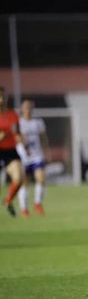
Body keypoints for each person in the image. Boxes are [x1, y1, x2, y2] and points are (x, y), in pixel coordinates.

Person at [16, 99, 51, 217]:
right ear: (22, 109)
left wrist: (47, 152)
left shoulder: (38, 122)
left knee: (41, 179)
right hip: (23, 158)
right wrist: (21, 140)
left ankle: (37, 203)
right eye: (25, 107)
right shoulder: (19, 123)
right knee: (25, 183)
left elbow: (43, 138)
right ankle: (24, 209)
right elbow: (15, 138)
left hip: (37, 156)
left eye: (30, 107)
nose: (28, 110)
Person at [0, 86, 25, 217]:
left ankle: (8, 200)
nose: (2, 99)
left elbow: (17, 132)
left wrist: (21, 139)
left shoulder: (12, 115)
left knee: (19, 178)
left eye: (3, 96)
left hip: (10, 151)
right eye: (0, 96)